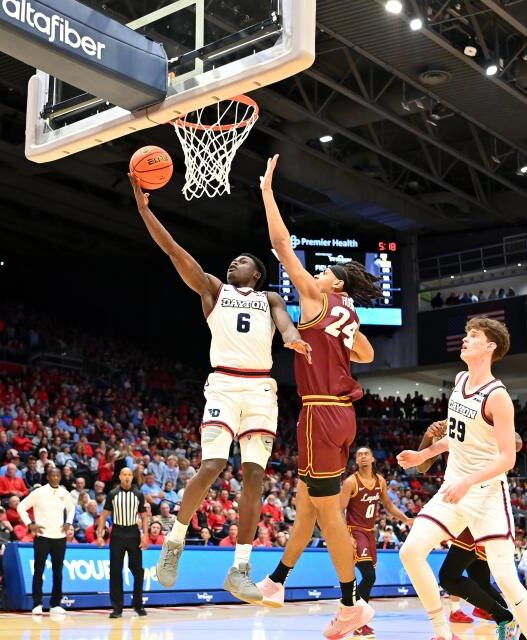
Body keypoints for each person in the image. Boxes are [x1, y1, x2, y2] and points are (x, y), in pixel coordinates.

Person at [129, 173, 311, 605]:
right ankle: (175, 541)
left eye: (243, 261)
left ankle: (240, 569)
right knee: (211, 465)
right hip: (225, 385)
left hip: (262, 391)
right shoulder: (213, 289)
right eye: (233, 261)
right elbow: (174, 251)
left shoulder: (269, 300)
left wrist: (290, 338)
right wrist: (144, 210)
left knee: (254, 476)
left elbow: (285, 324)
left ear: (259, 272)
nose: (234, 264)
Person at [256, 155, 379, 638]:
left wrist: (267, 191)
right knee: (307, 501)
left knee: (328, 512)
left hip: (321, 413)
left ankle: (350, 604)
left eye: (327, 270)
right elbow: (365, 354)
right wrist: (338, 344)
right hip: (341, 415)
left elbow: (280, 244)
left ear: (337, 283)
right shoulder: (350, 313)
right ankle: (277, 580)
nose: (319, 271)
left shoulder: (317, 297)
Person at [397, 316, 526, 640]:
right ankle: (442, 632)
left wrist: (468, 481)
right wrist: (423, 455)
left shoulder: (497, 396)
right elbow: (456, 437)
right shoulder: (459, 380)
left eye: (473, 335)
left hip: (484, 495)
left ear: (490, 346)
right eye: (466, 334)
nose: (465, 339)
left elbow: (508, 458)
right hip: (452, 489)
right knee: (410, 552)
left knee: (507, 580)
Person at [416, 420, 526, 638]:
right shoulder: (452, 423)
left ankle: (508, 618)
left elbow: (517, 443)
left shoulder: (483, 411)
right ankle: (508, 619)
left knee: (452, 577)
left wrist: (476, 432)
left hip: (485, 505)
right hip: (460, 507)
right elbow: (421, 467)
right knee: (480, 580)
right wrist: (429, 438)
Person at [340, 446, 413, 636]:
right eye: (359, 455)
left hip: (371, 533)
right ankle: (354, 619)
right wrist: (346, 536)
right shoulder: (350, 482)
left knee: (369, 578)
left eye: (366, 454)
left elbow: (388, 505)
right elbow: (339, 510)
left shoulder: (380, 481)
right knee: (369, 576)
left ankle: (356, 619)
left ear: (373, 458)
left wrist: (406, 519)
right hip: (355, 531)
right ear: (356, 461)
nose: (363, 457)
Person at [17, 467, 74, 615]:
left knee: (58, 572)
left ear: (60, 477)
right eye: (52, 475)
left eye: (57, 475)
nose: (55, 478)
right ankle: (37, 603)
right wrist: (30, 524)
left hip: (59, 538)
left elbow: (71, 508)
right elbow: (21, 507)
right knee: (39, 570)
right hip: (42, 537)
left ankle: (55, 604)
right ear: (47, 477)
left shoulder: (64, 493)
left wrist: (69, 521)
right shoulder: (39, 492)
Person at [97, 467, 149, 618]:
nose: (127, 477)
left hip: (133, 533)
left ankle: (138, 605)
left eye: (129, 475)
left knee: (138, 571)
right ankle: (117, 608)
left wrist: (145, 535)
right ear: (120, 477)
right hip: (117, 533)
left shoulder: (138, 494)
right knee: (115, 571)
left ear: (132, 477)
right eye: (124, 474)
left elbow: (144, 516)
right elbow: (104, 515)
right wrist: (100, 535)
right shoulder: (112, 494)